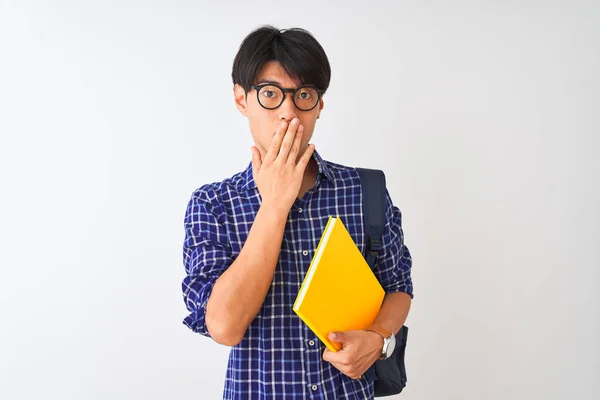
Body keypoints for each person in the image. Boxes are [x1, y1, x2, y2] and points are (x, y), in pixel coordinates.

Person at [181, 25, 413, 399]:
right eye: (270, 93)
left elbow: (398, 286)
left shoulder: (365, 190)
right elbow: (224, 327)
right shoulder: (213, 204)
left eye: (303, 95)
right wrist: (274, 203)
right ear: (242, 100)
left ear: (319, 105)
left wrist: (378, 337)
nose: (288, 112)